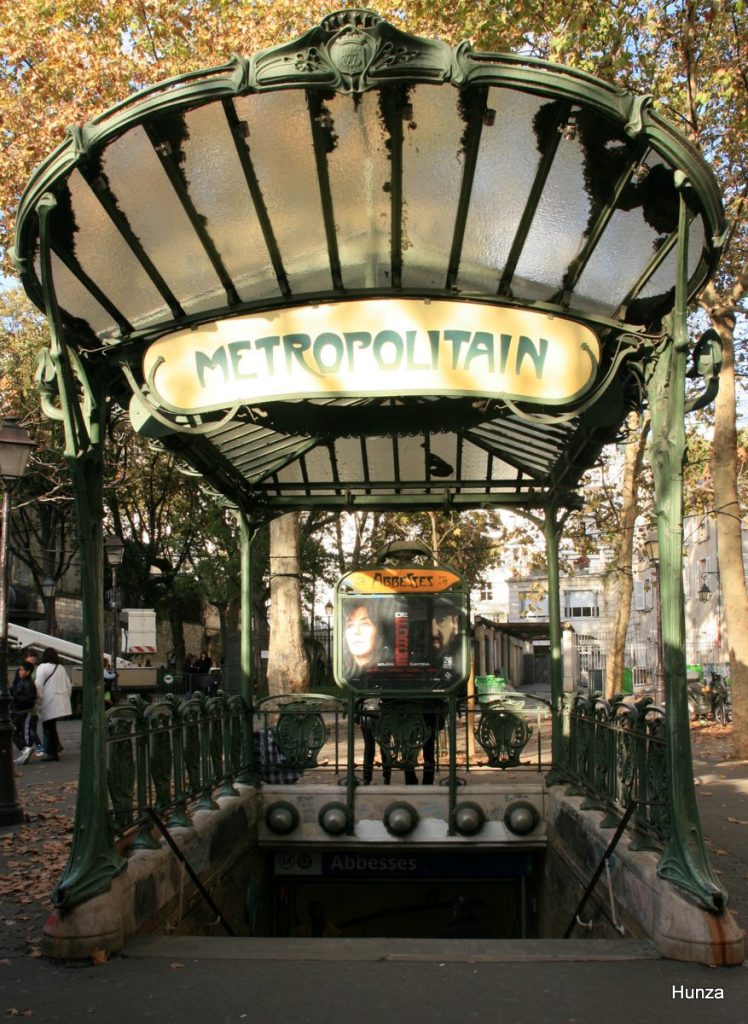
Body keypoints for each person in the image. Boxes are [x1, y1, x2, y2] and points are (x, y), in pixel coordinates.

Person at [34, 647, 73, 762]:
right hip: (60, 700)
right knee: (52, 727)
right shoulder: (60, 668)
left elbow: (38, 686)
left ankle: (53, 753)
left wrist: (38, 700)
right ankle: (56, 749)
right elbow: (68, 685)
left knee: (48, 728)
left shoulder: (42, 667)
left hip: (48, 700)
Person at [11, 660, 40, 765]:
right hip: (21, 711)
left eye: (22, 670)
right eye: (20, 670)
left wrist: (15, 696)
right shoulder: (24, 682)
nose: (20, 672)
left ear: (28, 672)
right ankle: (24, 751)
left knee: (24, 732)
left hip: (25, 712)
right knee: (17, 732)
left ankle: (25, 750)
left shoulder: (27, 683)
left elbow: (28, 699)